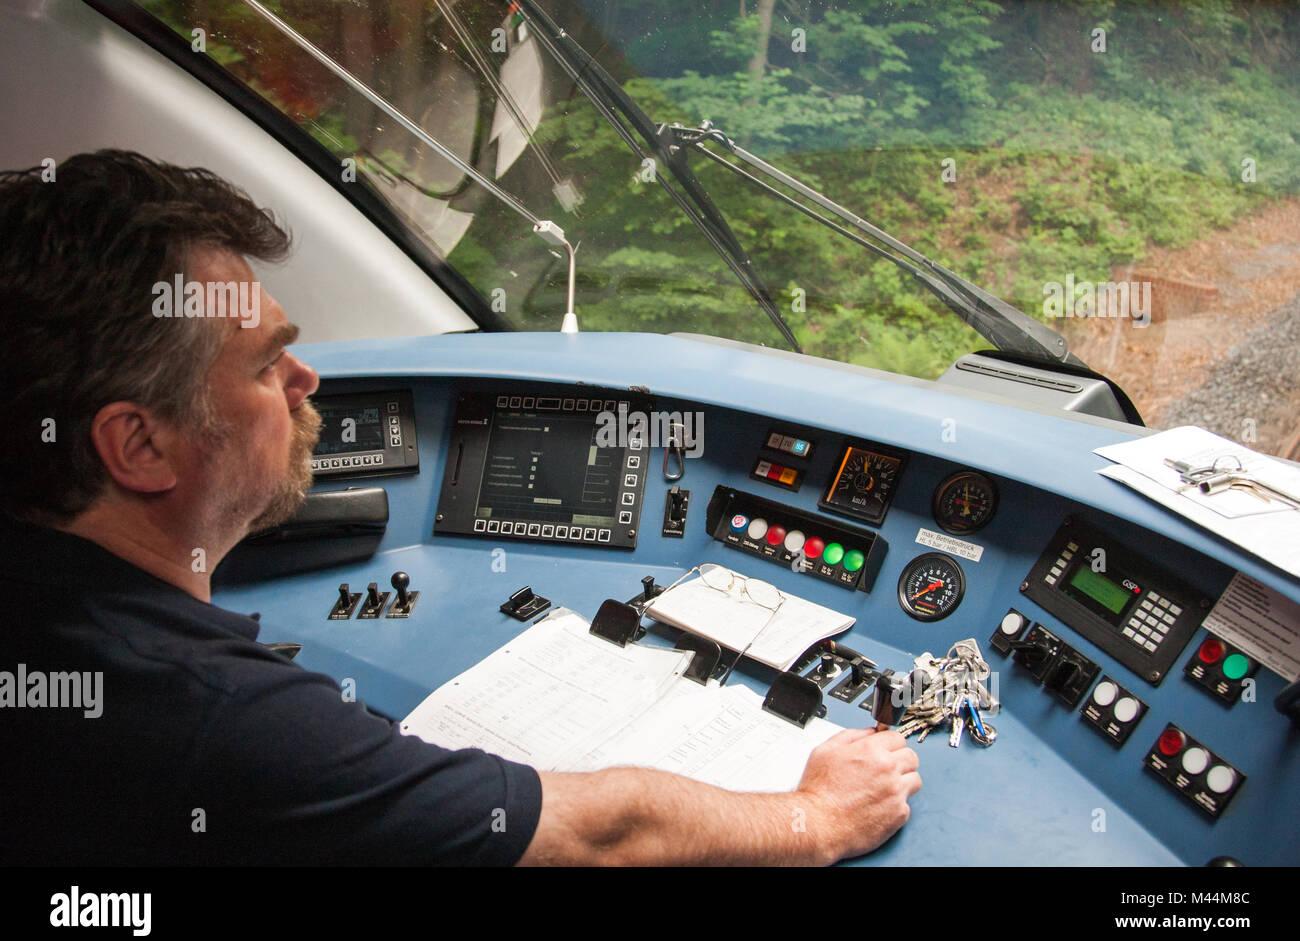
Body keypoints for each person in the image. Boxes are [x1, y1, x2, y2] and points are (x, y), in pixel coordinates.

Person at [0, 150, 920, 866]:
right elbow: (606, 835)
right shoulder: (220, 722)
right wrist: (817, 814)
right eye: (261, 364)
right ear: (140, 447)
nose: (305, 378)